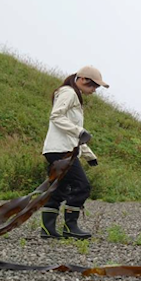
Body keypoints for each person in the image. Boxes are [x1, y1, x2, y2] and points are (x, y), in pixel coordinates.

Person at [39, 65, 109, 239]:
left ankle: (48, 230)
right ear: (83, 79)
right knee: (82, 186)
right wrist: (80, 132)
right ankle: (70, 227)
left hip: (60, 149)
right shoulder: (69, 93)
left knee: (59, 188)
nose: (94, 90)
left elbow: (72, 132)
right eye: (93, 85)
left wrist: (88, 154)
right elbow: (56, 116)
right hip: (61, 150)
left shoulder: (73, 95)